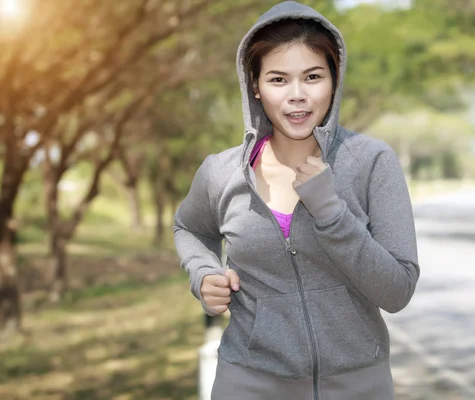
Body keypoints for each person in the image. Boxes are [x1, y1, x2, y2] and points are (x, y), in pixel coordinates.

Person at [173, 1, 419, 398]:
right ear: (254, 85)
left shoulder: (371, 162)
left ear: (334, 80)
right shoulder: (221, 173)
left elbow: (397, 291)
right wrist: (203, 273)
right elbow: (188, 227)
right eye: (278, 79)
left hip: (358, 385)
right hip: (249, 382)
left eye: (313, 76)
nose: (297, 96)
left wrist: (331, 214)